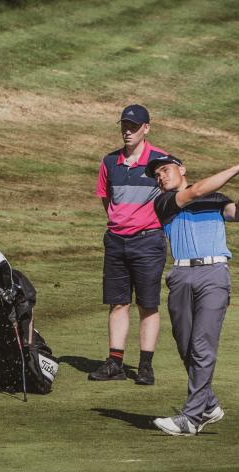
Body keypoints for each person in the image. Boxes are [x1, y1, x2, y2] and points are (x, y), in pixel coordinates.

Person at [144, 152, 239, 435]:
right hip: (181, 275)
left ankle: (191, 419)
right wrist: (238, 165)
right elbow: (195, 191)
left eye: (165, 170)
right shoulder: (163, 202)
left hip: (214, 274)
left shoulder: (216, 198)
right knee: (186, 345)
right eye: (157, 174)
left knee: (202, 345)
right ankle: (208, 404)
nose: (161, 176)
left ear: (181, 168)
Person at [88, 104, 169, 385]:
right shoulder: (109, 162)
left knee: (147, 304)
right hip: (116, 241)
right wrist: (121, 221)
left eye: (134, 127)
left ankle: (145, 365)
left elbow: (178, 192)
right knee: (118, 303)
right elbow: (105, 198)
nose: (127, 131)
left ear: (146, 128)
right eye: (124, 125)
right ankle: (115, 362)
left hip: (149, 242)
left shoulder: (161, 161)